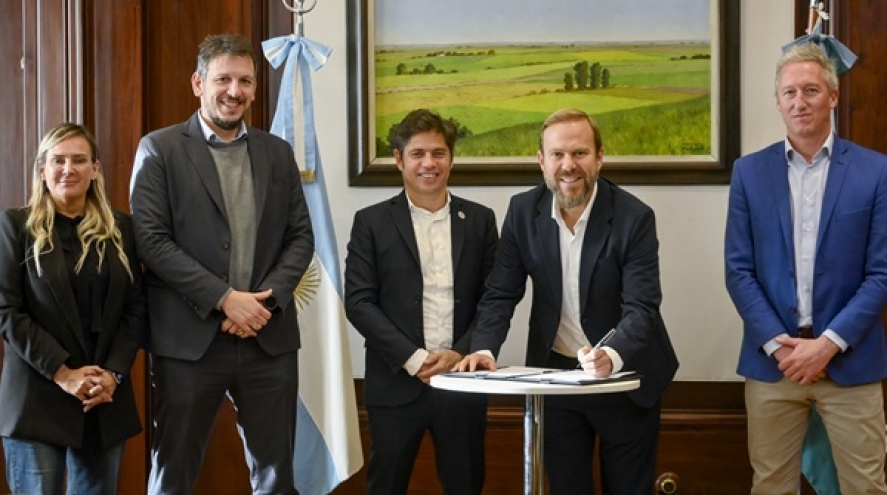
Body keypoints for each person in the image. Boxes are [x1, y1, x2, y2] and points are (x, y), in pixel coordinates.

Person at [456, 108, 679, 495]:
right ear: (541, 161)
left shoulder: (634, 217)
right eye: (557, 154)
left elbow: (642, 306)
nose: (568, 165)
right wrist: (484, 348)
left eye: (579, 153)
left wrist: (611, 354)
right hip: (556, 378)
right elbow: (501, 292)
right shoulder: (522, 211)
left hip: (626, 378)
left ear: (599, 157)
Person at [129, 33, 314, 494]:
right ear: (198, 83)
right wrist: (226, 299)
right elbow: (151, 241)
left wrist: (261, 305)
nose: (235, 91)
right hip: (189, 341)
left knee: (277, 477)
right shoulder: (160, 149)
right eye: (223, 79)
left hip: (267, 338)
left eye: (245, 81)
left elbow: (300, 237)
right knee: (172, 475)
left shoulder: (277, 153)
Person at [725, 42, 887, 494]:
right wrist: (782, 349)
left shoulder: (876, 172)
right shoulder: (749, 173)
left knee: (866, 487)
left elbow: (882, 273)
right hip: (773, 365)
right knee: (772, 486)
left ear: (833, 96)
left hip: (851, 362)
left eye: (811, 90)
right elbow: (738, 271)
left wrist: (827, 345)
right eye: (790, 92)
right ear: (778, 101)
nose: (800, 102)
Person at [344, 109, 498, 495]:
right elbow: (359, 302)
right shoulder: (371, 222)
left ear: (451, 158)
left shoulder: (480, 220)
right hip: (395, 384)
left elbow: (493, 299)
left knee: (466, 486)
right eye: (418, 154)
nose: (429, 163)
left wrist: (460, 352)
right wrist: (414, 359)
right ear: (399, 159)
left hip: (463, 381)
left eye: (438, 153)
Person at [0, 123, 146, 495]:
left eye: (79, 160)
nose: (69, 169)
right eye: (58, 160)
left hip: (102, 397)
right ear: (42, 169)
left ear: (95, 169)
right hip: (37, 396)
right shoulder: (15, 227)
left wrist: (112, 375)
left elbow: (136, 309)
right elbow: (7, 311)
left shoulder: (121, 229)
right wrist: (63, 373)